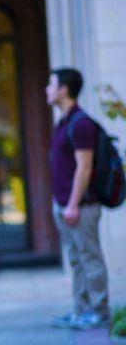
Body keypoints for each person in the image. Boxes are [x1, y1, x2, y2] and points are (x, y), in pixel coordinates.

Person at [47, 68, 110, 330]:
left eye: (50, 84)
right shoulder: (64, 121)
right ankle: (82, 309)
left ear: (64, 89)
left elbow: (84, 168)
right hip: (65, 204)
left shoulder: (81, 123)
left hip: (81, 206)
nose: (46, 89)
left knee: (90, 257)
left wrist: (73, 204)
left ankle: (99, 311)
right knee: (76, 259)